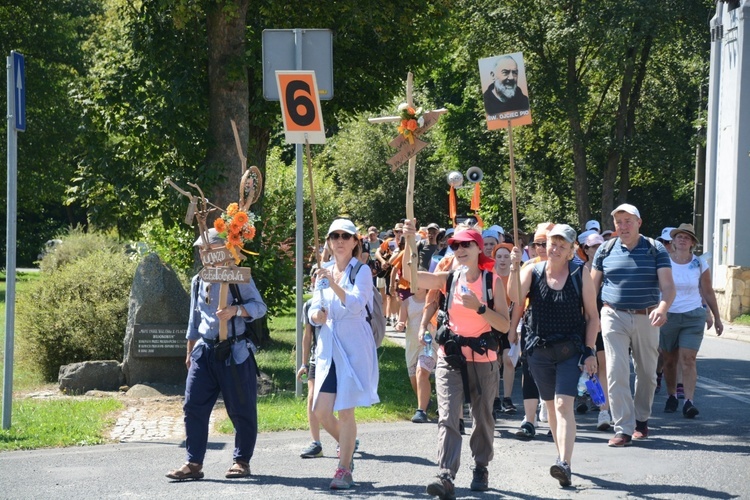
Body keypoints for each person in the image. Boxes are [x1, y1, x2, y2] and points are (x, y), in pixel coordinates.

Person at [403, 220, 510, 499]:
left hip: (484, 358)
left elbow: (504, 325)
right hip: (450, 356)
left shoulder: (492, 281)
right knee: (449, 415)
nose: (460, 249)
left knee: (483, 416)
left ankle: (481, 465)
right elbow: (410, 276)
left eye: (466, 244)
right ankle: (446, 474)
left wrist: (480, 308)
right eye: (455, 245)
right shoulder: (448, 278)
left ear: (478, 248)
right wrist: (409, 241)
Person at [166, 228, 267, 481]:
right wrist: (190, 351)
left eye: (207, 249)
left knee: (241, 408)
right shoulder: (198, 279)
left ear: (222, 250)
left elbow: (259, 307)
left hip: (235, 352)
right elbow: (194, 319)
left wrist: (236, 310)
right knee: (193, 406)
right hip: (205, 351)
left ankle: (241, 461)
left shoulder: (237, 276)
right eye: (200, 249)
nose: (203, 254)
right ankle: (193, 463)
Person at [511, 224, 599, 487]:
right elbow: (514, 297)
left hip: (570, 350)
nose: (556, 249)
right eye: (552, 243)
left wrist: (590, 351)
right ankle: (560, 455)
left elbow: (593, 316)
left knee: (563, 405)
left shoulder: (580, 273)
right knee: (549, 406)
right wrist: (515, 266)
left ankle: (564, 463)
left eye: (563, 245)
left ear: (572, 250)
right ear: (545, 244)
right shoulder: (532, 270)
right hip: (539, 350)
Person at [591, 204, 675, 447]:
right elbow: (591, 288)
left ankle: (641, 419)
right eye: (618, 221)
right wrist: (590, 318)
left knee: (647, 374)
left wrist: (662, 308)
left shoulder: (655, 248)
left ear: (639, 222)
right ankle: (623, 428)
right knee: (616, 370)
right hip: (612, 315)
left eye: (628, 221)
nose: (623, 226)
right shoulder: (605, 249)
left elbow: (668, 287)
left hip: (647, 316)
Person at [309, 219, 380, 489]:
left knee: (346, 410)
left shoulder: (361, 270)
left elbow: (356, 304)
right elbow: (315, 307)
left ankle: (344, 468)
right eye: (334, 236)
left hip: (353, 345)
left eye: (345, 236)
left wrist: (332, 284)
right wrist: (316, 314)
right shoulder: (323, 270)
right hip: (329, 345)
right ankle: (348, 446)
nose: (339, 240)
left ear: (354, 242)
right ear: (328, 241)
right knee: (321, 411)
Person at [661, 224, 723, 418]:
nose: (682, 239)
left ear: (692, 243)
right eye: (679, 236)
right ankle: (671, 395)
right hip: (668, 315)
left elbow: (707, 291)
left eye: (686, 237)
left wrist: (716, 316)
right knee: (669, 361)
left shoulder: (699, 264)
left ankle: (688, 401)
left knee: (689, 359)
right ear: (673, 241)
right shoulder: (663, 262)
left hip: (692, 315)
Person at [582, 232, 613, 430]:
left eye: (599, 246)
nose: (596, 250)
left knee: (603, 366)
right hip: (581, 325)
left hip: (602, 323)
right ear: (585, 250)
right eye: (592, 247)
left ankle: (603, 410)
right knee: (587, 368)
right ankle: (585, 398)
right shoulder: (578, 269)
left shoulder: (608, 269)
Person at [298, 268, 325, 458]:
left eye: (322, 275)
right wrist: (304, 363)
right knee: (312, 397)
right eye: (315, 275)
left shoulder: (336, 301)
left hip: (337, 358)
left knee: (340, 400)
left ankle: (345, 438)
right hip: (317, 357)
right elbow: (307, 336)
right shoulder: (309, 305)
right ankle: (316, 443)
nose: (318, 279)